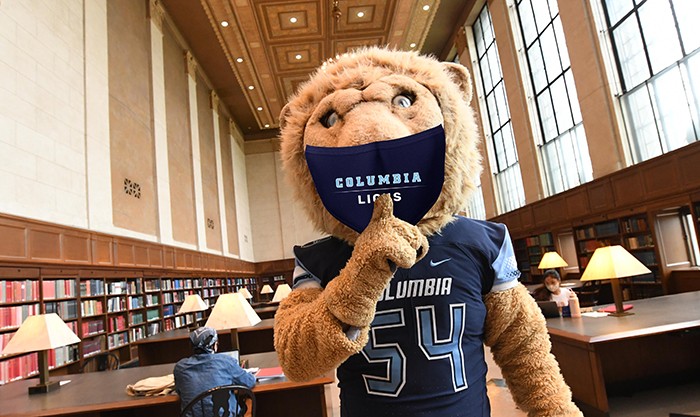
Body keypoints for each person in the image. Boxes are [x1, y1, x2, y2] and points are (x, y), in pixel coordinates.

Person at [174, 327, 255, 417]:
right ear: (214, 345)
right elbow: (249, 382)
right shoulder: (225, 361)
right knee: (247, 401)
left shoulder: (180, 367)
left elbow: (179, 390)